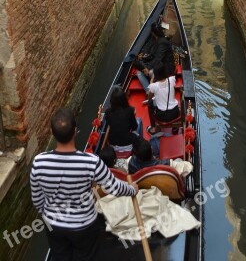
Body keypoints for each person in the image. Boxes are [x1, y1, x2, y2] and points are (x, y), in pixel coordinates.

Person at [30, 107, 138, 261]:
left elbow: (37, 200)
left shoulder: (38, 162)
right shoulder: (91, 162)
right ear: (75, 131)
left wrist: (49, 215)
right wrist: (132, 189)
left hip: (53, 225)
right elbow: (113, 187)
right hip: (84, 225)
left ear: (52, 133)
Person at [135, 24, 175, 92]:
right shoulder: (156, 39)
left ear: (153, 33)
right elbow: (149, 49)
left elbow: (158, 58)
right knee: (140, 70)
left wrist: (147, 68)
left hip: (166, 68)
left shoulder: (163, 42)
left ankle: (149, 92)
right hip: (159, 65)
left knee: (140, 73)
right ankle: (149, 91)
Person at [147, 63, 180, 133]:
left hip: (163, 116)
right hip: (175, 112)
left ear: (156, 74)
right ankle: (175, 128)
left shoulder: (154, 86)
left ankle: (153, 128)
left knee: (150, 103)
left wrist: (151, 80)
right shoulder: (172, 79)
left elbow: (149, 97)